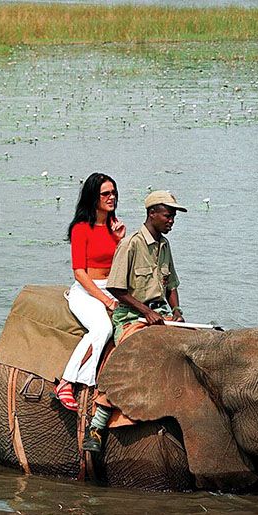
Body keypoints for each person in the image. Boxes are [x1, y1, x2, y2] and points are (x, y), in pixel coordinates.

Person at [83, 189, 187, 453]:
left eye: (174, 216)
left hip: (159, 315)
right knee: (132, 353)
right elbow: (117, 288)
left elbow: (171, 285)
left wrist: (176, 310)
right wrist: (145, 312)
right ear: (152, 213)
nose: (171, 220)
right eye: (168, 215)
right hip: (131, 315)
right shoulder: (130, 244)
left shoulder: (165, 246)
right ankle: (98, 422)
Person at [55, 173, 125, 413]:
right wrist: (106, 300)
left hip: (113, 287)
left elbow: (120, 267)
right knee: (102, 328)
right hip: (86, 291)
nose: (111, 197)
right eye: (106, 193)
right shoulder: (80, 228)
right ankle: (67, 381)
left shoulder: (114, 227)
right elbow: (80, 273)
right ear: (93, 197)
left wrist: (120, 240)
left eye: (114, 193)